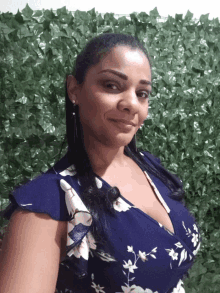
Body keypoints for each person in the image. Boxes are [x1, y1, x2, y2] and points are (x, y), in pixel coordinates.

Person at [0, 33, 202, 293]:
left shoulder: (150, 167)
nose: (131, 103)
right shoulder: (48, 206)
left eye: (142, 93)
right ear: (74, 90)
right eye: (112, 85)